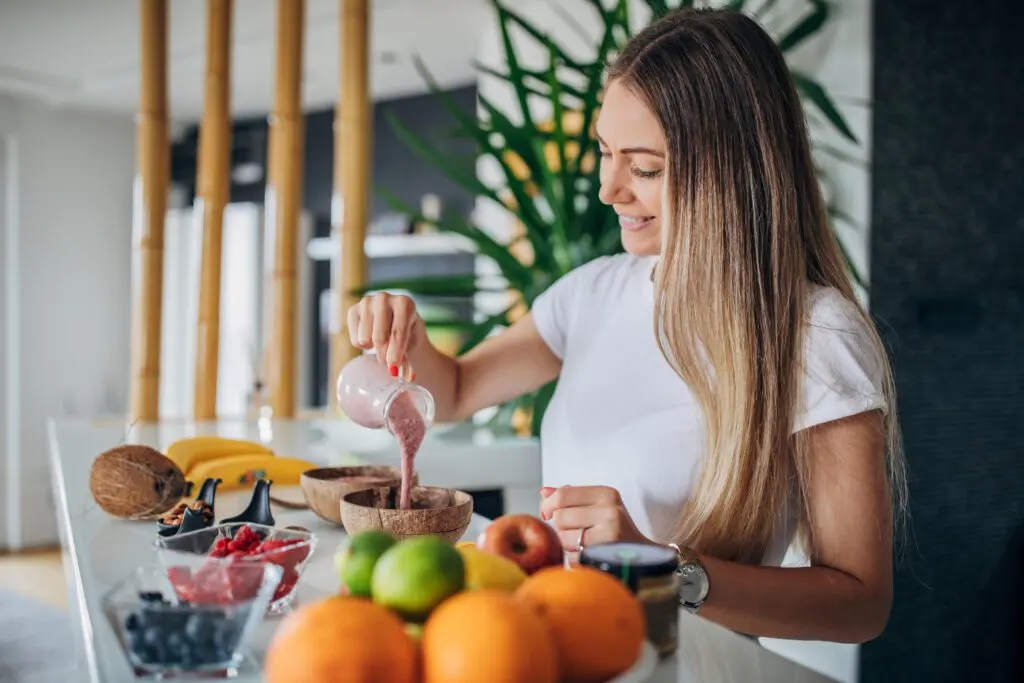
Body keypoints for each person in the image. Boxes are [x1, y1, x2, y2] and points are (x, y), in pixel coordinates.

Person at [346, 6, 906, 644]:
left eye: (645, 168)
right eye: (606, 152)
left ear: (731, 172)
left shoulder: (814, 336)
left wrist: (661, 565)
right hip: (558, 648)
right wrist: (407, 332)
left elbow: (860, 604)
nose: (610, 188)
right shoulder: (592, 292)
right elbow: (456, 392)